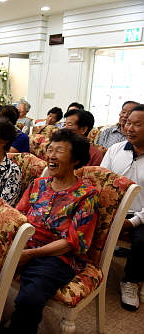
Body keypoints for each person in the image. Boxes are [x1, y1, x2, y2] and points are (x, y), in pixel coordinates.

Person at [4, 129, 99, 334]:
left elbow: (73, 242)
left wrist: (30, 254)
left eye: (60, 151)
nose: (51, 156)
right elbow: (16, 218)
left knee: (30, 298)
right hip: (25, 246)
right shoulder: (37, 184)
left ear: (76, 160)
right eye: (49, 150)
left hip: (58, 257)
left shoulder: (86, 194)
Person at [101, 104, 144, 311]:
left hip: (140, 216)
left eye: (137, 124)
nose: (130, 128)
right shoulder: (115, 150)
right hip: (111, 210)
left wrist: (132, 222)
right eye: (128, 123)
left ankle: (130, 281)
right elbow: (99, 183)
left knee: (143, 240)